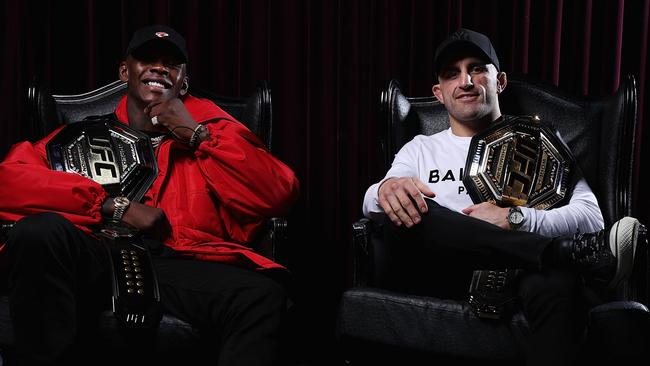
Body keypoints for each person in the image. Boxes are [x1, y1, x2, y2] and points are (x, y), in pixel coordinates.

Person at [0, 25, 299, 366]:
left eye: (171, 63)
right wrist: (108, 205)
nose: (159, 67)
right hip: (97, 253)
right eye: (147, 59)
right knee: (38, 232)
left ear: (182, 82)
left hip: (178, 261)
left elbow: (278, 193)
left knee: (262, 296)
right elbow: (9, 182)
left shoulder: (216, 133)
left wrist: (198, 135)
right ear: (125, 71)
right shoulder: (76, 137)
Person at [362, 28, 643, 365]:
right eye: (452, 73)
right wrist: (383, 189)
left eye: (477, 68)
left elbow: (591, 217)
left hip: (521, 271)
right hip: (443, 268)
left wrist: (515, 219)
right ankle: (558, 253)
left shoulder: (538, 137)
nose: (465, 80)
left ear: (500, 82)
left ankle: (551, 258)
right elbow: (373, 205)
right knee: (413, 215)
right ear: (439, 93)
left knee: (557, 284)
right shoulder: (421, 148)